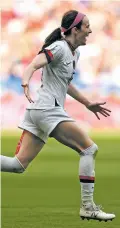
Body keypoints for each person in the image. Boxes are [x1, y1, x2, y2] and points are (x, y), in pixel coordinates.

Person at [1, 10, 115, 222]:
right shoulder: (59, 47)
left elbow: (66, 84)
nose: (90, 30)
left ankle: (88, 207)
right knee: (89, 149)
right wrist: (25, 81)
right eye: (86, 26)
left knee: (18, 165)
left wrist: (87, 103)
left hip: (39, 112)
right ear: (75, 29)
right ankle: (88, 207)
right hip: (47, 110)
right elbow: (34, 64)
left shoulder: (74, 53)